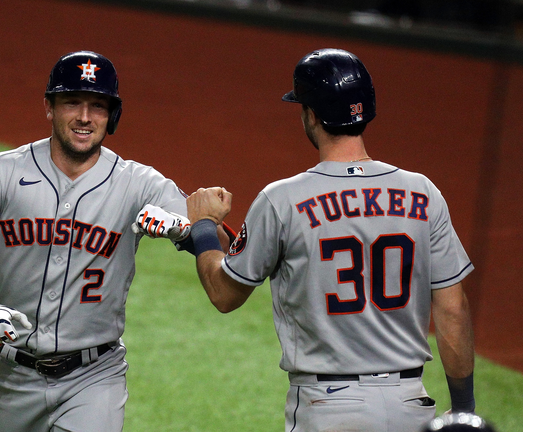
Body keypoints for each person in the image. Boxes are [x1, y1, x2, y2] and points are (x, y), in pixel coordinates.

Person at [186, 48, 477, 431]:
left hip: (329, 407)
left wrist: (204, 228)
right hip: (412, 404)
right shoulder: (422, 192)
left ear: (310, 114)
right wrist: (463, 410)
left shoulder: (282, 199)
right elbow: (453, 310)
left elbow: (224, 294)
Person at [0, 50, 200, 432]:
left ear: (112, 115)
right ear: (49, 107)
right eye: (72, 102)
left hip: (95, 376)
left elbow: (218, 244)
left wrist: (184, 229)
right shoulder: (1, 172)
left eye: (98, 106)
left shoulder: (140, 184)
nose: (85, 117)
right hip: (11, 376)